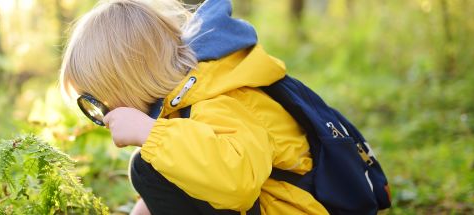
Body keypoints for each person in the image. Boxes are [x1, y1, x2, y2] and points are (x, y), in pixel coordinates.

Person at [59, 0, 328, 214]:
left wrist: (151, 133)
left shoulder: (217, 98)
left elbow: (239, 183)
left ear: (130, 81)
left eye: (98, 102)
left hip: (295, 208)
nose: (102, 115)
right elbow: (187, 176)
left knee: (147, 167)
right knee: (156, 167)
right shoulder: (187, 97)